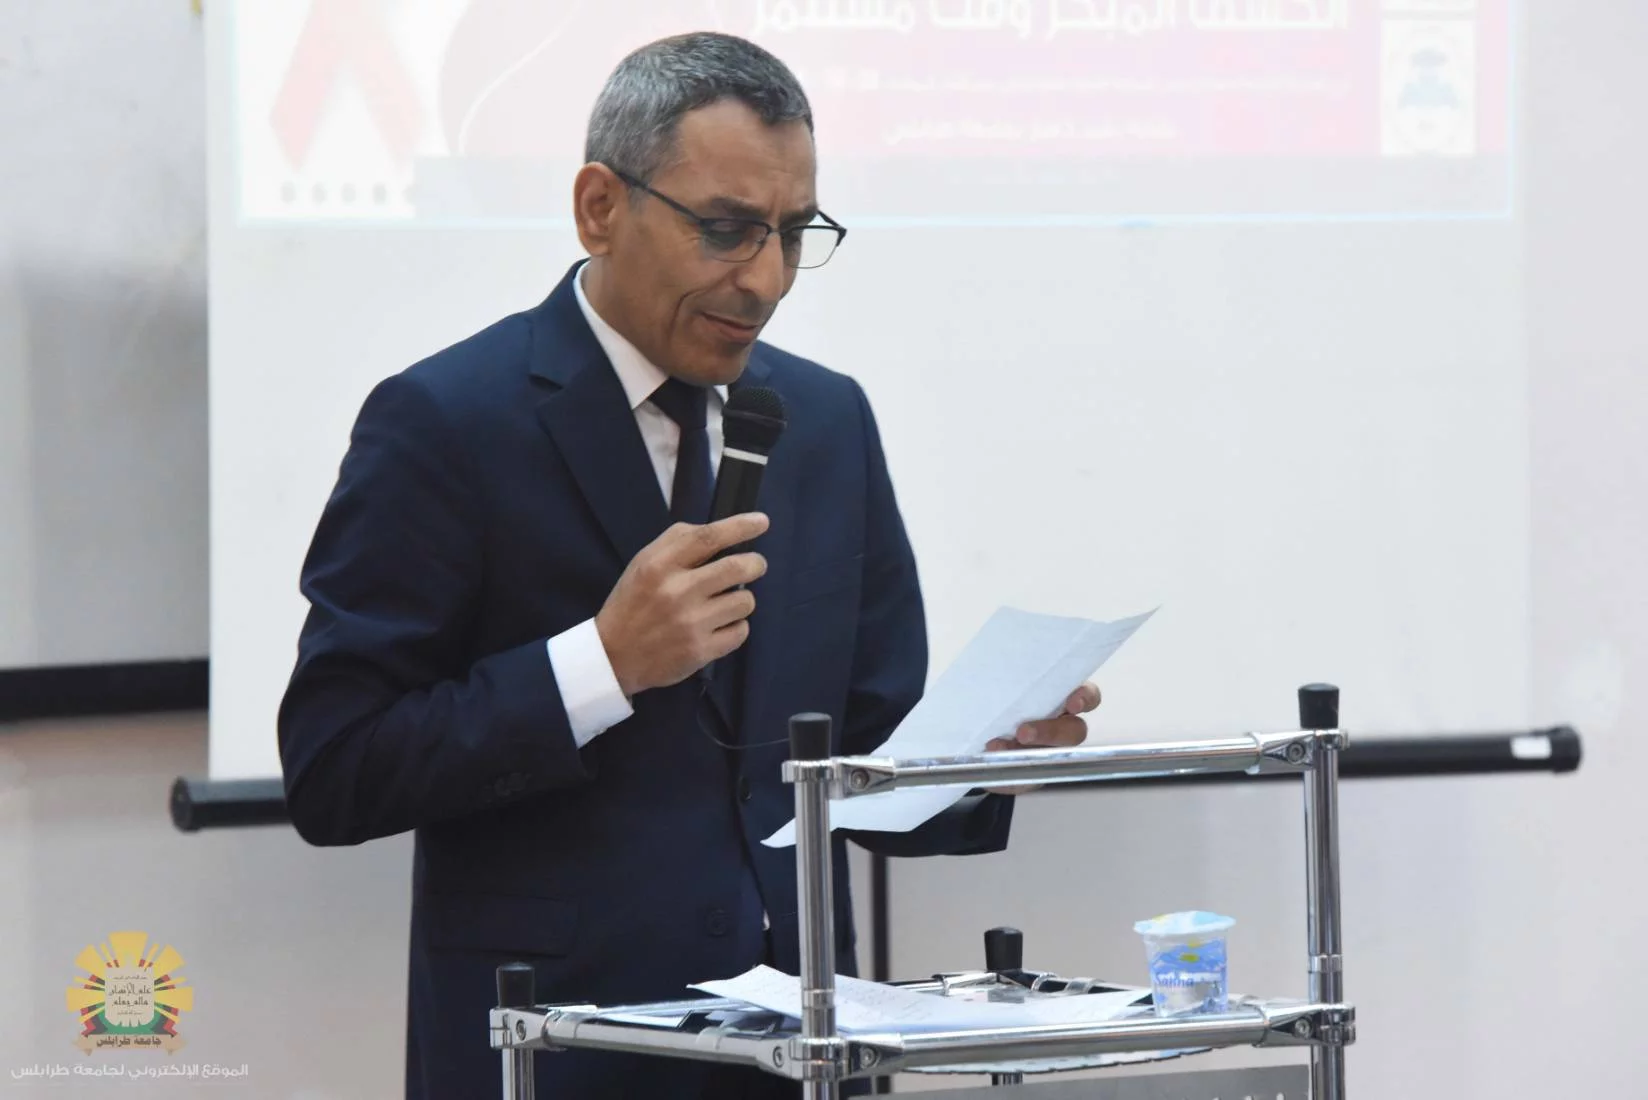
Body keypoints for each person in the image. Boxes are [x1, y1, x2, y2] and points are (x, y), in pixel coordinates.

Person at [276, 31, 1100, 1100]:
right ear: (599, 207)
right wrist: (601, 664)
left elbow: (859, 746)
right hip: (558, 1048)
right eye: (725, 230)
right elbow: (337, 767)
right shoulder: (445, 422)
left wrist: (979, 756)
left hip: (800, 1045)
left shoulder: (825, 421)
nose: (766, 279)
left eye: (793, 234)